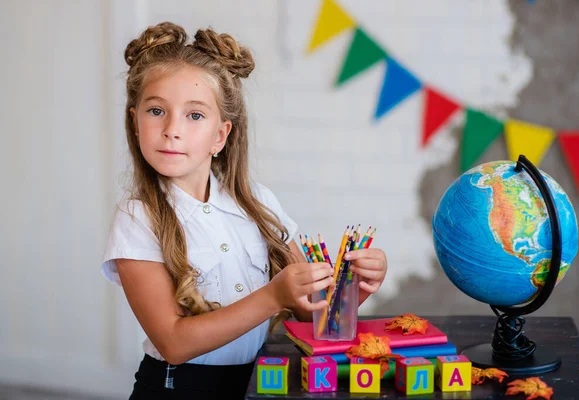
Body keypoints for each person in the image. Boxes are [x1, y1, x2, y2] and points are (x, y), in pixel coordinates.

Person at [101, 21, 388, 399]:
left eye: (195, 115)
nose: (172, 129)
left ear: (220, 135)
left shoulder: (259, 203)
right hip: (178, 388)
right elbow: (172, 342)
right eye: (156, 111)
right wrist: (273, 296)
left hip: (259, 383)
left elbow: (311, 313)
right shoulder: (138, 219)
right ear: (134, 122)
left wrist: (353, 289)